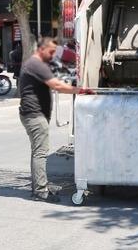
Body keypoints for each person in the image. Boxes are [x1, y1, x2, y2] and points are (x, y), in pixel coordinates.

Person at [19, 37, 93, 202]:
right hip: (34, 115)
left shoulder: (34, 63)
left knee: (37, 152)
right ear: (41, 49)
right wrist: (80, 90)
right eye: (51, 52)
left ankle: (40, 184)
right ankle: (40, 191)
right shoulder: (37, 64)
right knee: (40, 153)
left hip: (31, 114)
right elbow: (57, 86)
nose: (53, 55)